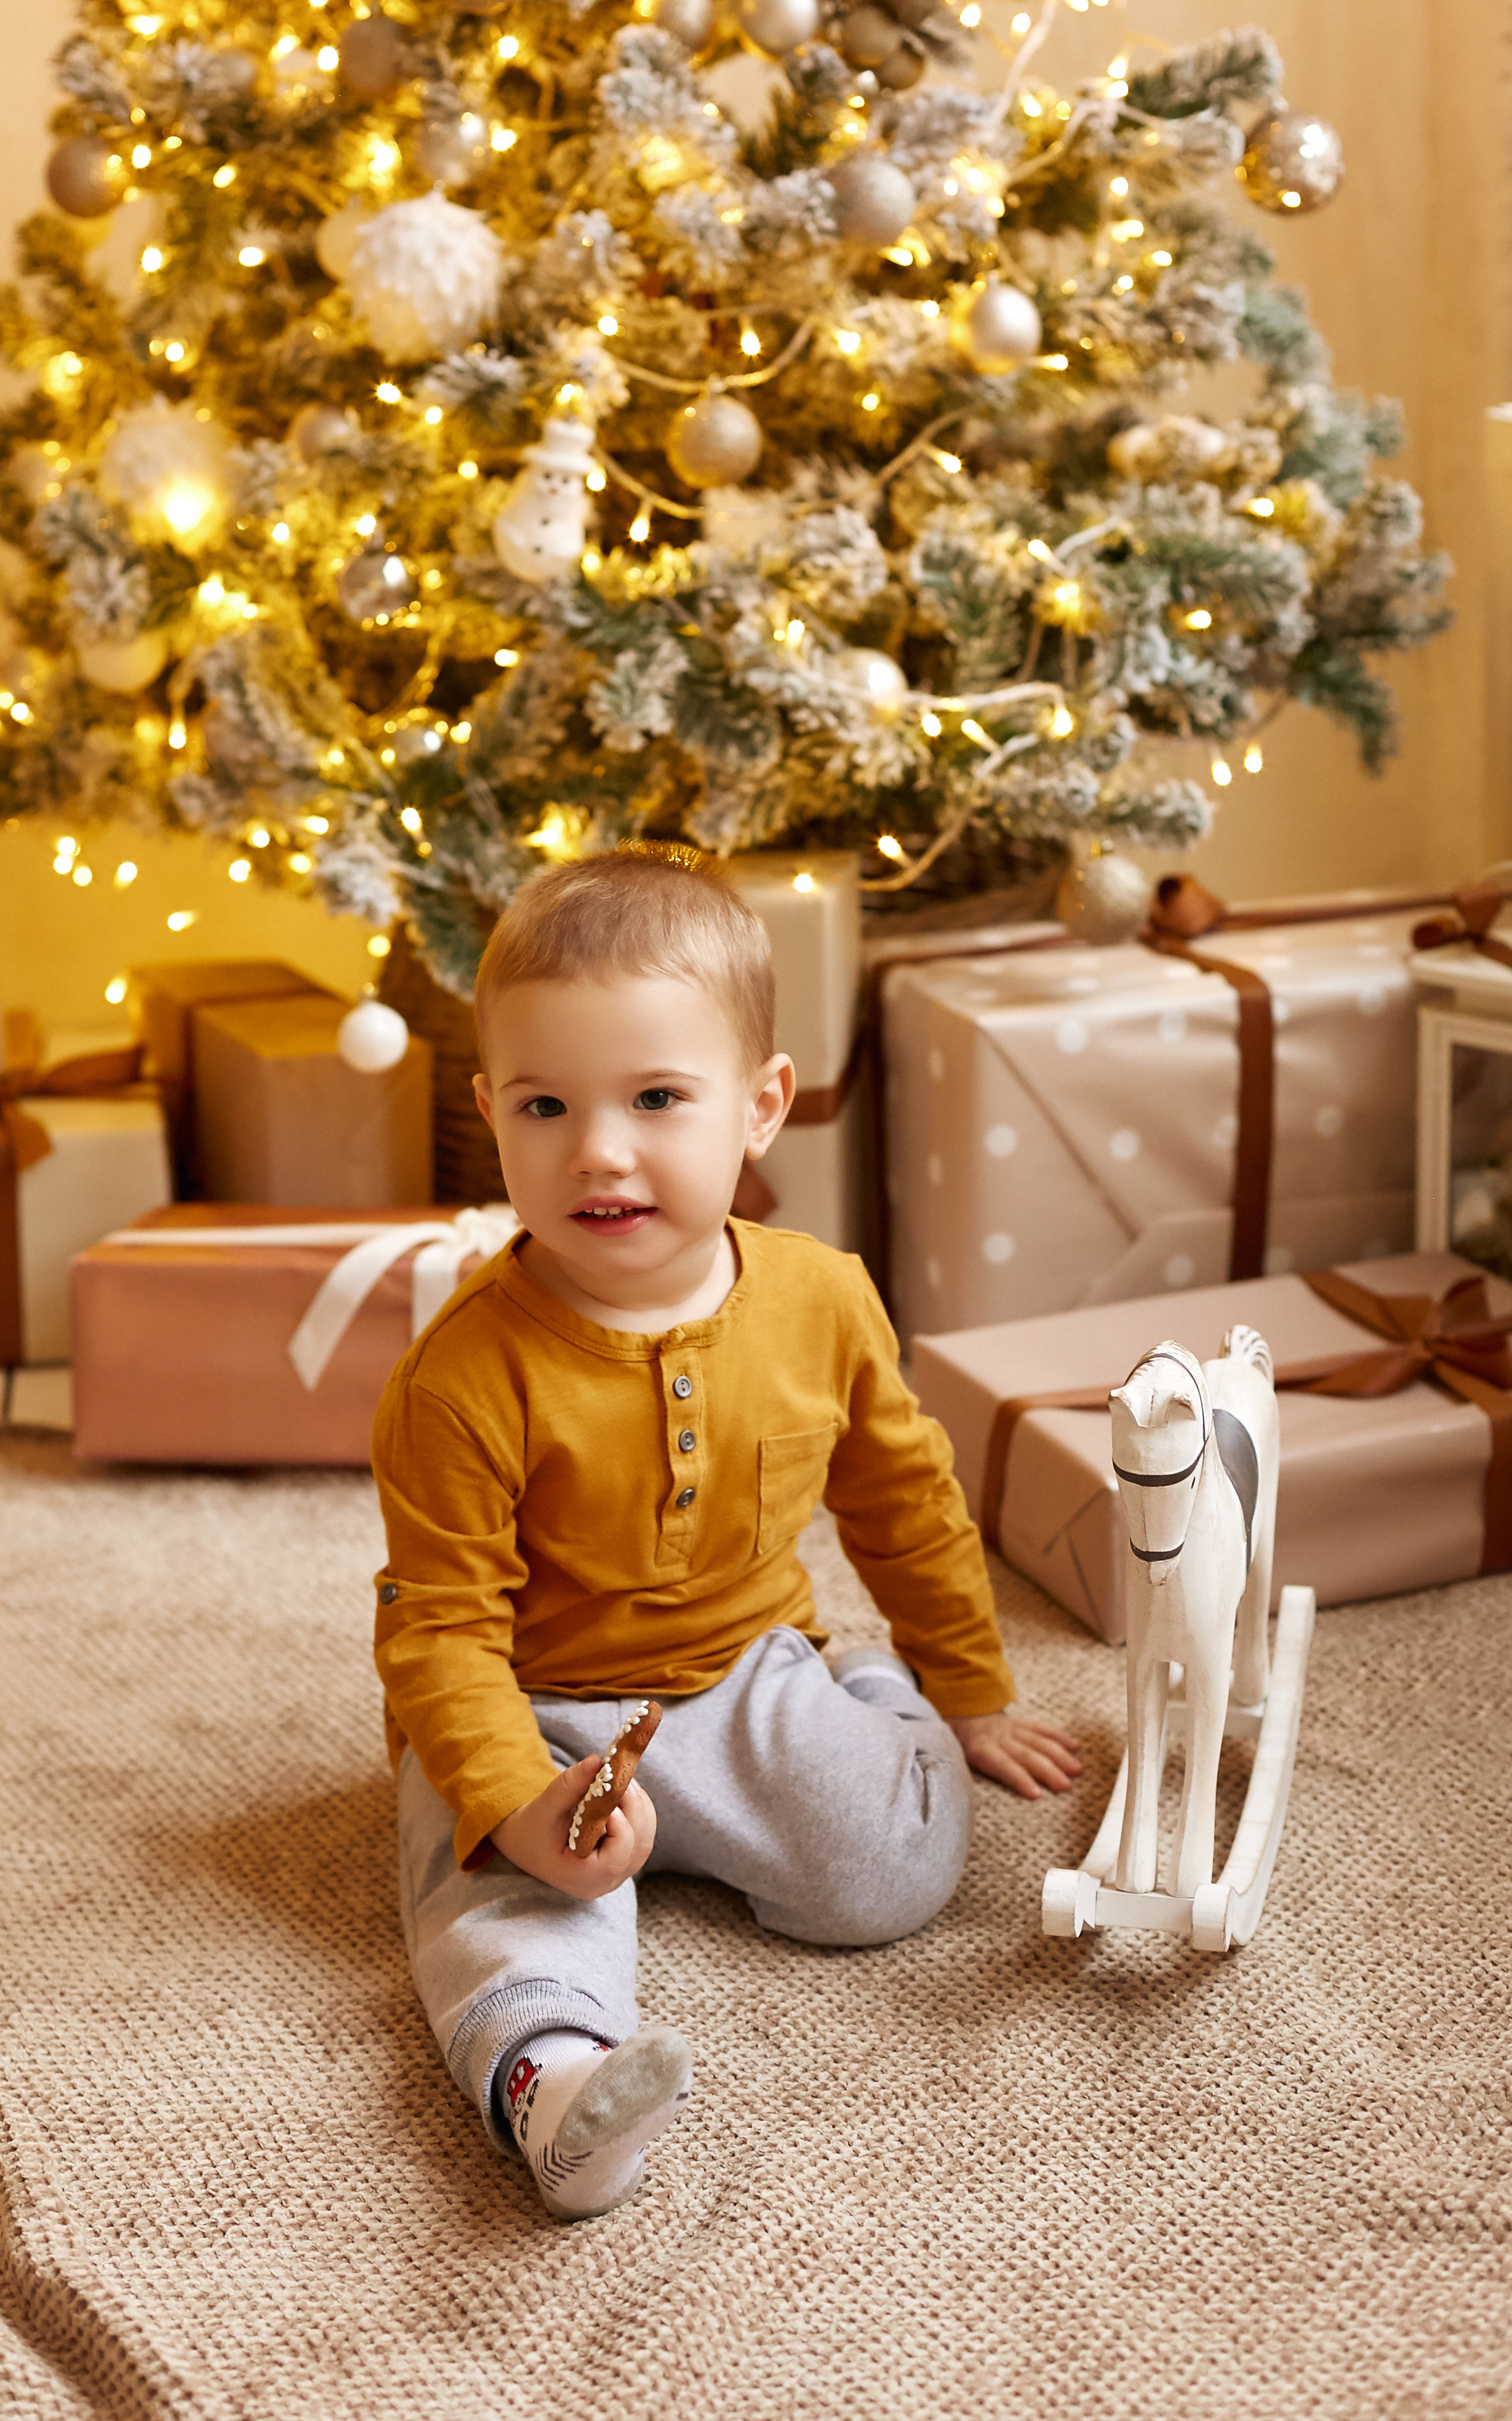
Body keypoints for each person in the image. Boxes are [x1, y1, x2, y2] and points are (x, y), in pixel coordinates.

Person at [372, 848, 1079, 2221]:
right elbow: (440, 1628)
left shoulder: (822, 1299)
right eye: (545, 1105)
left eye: (653, 1098)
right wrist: (517, 1801)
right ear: (489, 1114)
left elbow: (904, 1502)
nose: (598, 1150)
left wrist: (966, 1689)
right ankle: (555, 2091)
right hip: (539, 1710)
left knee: (888, 1867)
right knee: (483, 1908)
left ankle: (864, 1703)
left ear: (760, 1107)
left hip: (743, 1673)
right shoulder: (457, 1376)